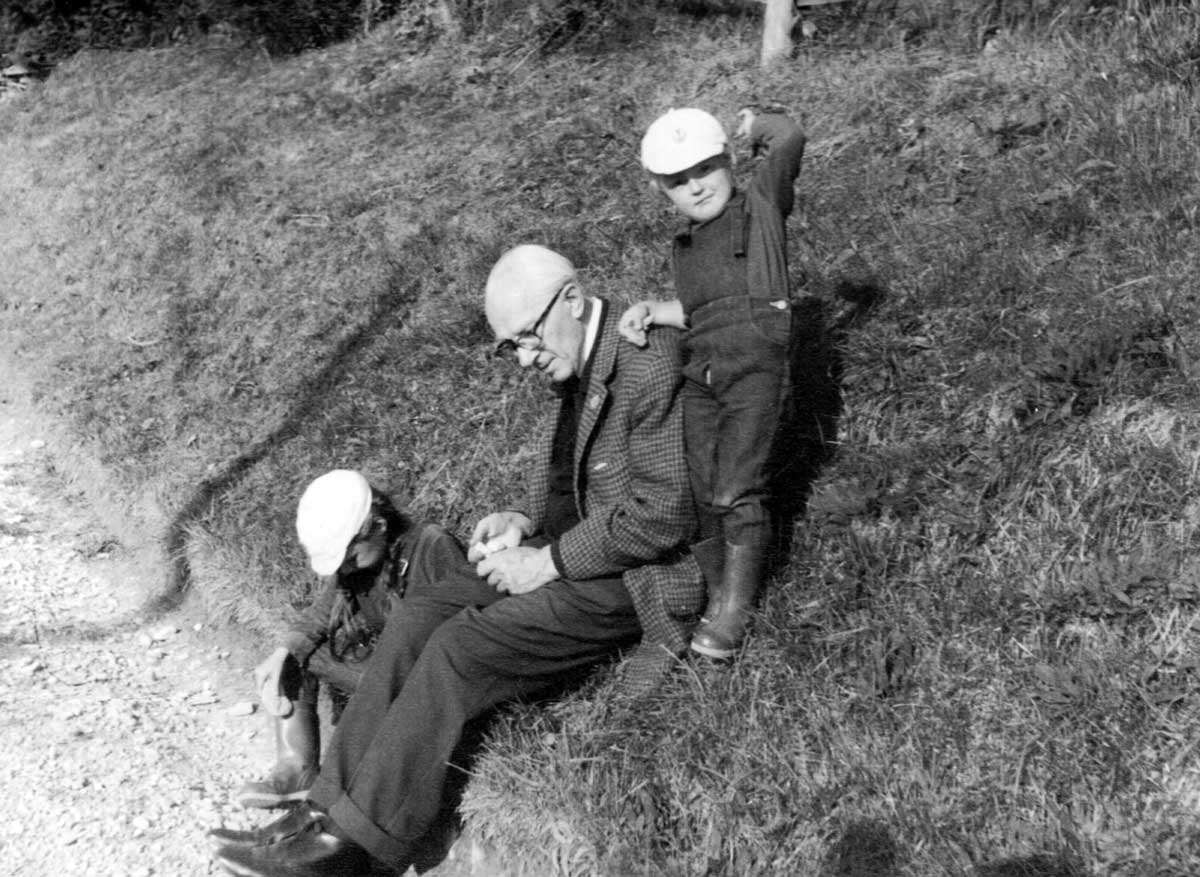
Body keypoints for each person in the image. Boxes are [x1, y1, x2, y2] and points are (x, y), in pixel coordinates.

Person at [208, 244, 704, 877]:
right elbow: (569, 472)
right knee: (420, 614)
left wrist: (548, 562)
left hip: (630, 578)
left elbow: (665, 515)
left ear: (573, 301)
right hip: (568, 552)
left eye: (526, 339)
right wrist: (522, 518)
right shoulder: (576, 353)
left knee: (457, 649)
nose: (523, 358)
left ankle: (354, 849)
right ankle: (323, 812)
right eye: (510, 347)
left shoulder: (648, 367)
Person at [620, 105, 806, 661]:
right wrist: (654, 310)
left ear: (729, 162)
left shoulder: (760, 207)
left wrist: (755, 126)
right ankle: (718, 589)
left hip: (754, 362)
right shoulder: (687, 244)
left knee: (735, 487)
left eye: (705, 169)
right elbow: (700, 311)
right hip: (702, 367)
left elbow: (789, 138)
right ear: (661, 190)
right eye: (679, 181)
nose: (697, 187)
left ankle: (735, 611)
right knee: (702, 486)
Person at [213, 469, 467, 813]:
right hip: (389, 673)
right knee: (296, 653)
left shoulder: (431, 547)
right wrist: (281, 653)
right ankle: (296, 771)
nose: (346, 569)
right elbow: (320, 615)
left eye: (349, 558)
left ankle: (354, 780)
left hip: (427, 682)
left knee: (310, 654)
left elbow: (462, 632)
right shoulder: (365, 562)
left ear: (378, 525)